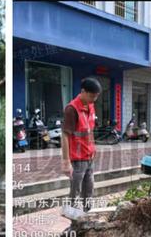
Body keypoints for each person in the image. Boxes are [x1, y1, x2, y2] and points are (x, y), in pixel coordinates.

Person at [61, 77, 101, 212]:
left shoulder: (91, 106)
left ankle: (87, 217)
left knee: (89, 189)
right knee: (75, 191)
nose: (93, 99)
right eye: (91, 96)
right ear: (83, 91)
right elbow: (65, 136)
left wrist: (93, 149)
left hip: (89, 157)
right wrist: (66, 161)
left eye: (96, 97)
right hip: (77, 159)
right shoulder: (71, 109)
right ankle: (72, 220)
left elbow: (89, 131)